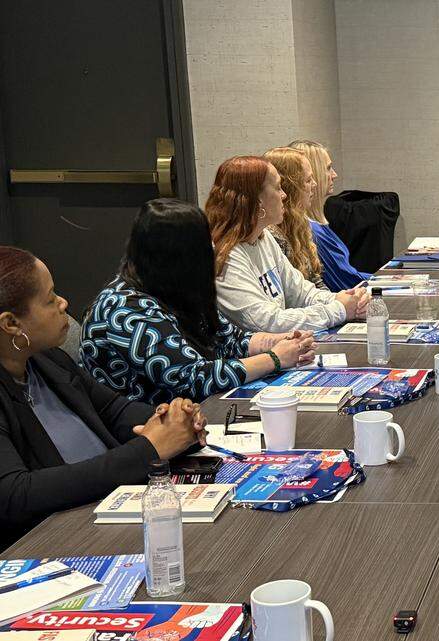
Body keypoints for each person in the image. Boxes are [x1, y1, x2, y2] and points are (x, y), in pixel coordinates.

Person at [0, 246, 205, 547]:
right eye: (50, 298)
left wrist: (173, 419)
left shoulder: (48, 361)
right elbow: (17, 494)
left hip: (110, 511)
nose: (63, 303)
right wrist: (149, 449)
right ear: (11, 324)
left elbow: (114, 410)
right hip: (52, 541)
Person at [83, 199, 316, 405]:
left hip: (197, 411)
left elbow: (228, 339)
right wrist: (274, 359)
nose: (212, 250)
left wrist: (280, 341)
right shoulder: (126, 310)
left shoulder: (171, 286)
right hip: (148, 427)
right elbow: (193, 377)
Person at [205, 155, 369, 333]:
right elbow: (266, 322)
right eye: (277, 188)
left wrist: (343, 299)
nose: (284, 195)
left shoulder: (264, 237)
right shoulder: (224, 256)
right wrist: (339, 309)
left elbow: (301, 293)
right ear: (256, 200)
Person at [289, 139, 374, 292]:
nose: (334, 175)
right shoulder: (311, 232)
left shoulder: (315, 225)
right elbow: (349, 282)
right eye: (328, 168)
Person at [263, 147, 326, 289]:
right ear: (291, 188)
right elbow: (293, 297)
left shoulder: (300, 224)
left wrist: (339, 303)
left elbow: (315, 283)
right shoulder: (271, 235)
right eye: (308, 180)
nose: (315, 185)